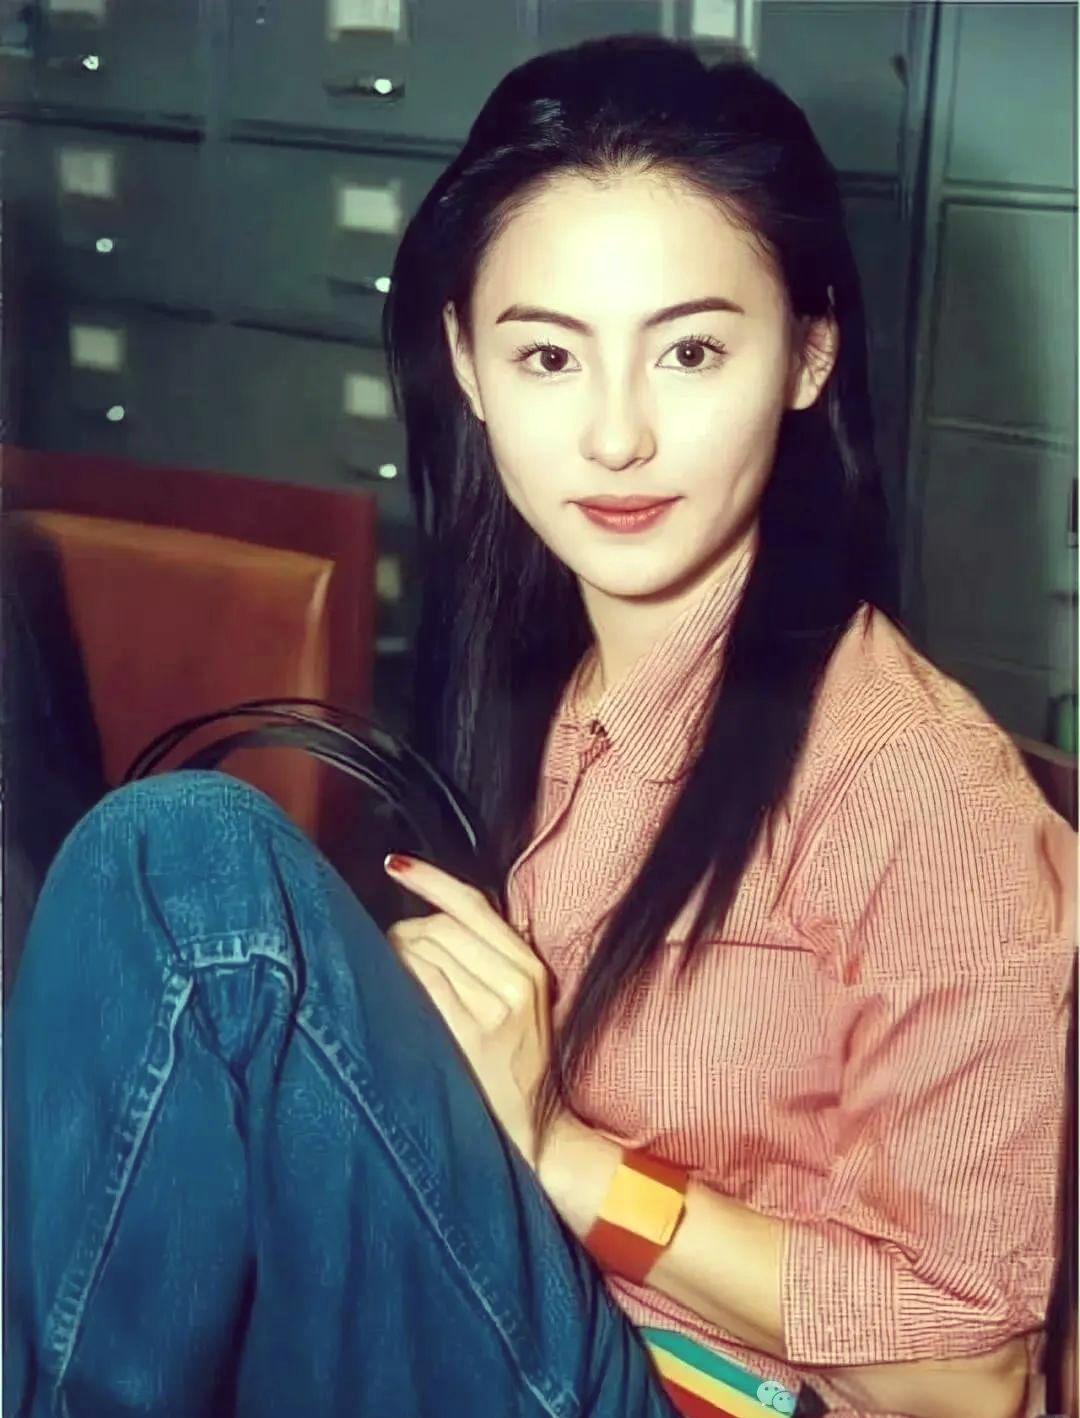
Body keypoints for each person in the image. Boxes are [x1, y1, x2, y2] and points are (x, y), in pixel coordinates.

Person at [6, 33, 1075, 1418]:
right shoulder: (545, 685)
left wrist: (561, 1151)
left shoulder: (917, 792)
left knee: (188, 866)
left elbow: (968, 1377)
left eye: (691, 350)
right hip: (488, 1304)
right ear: (467, 360)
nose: (617, 436)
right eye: (551, 355)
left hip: (692, 1393)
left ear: (809, 353)